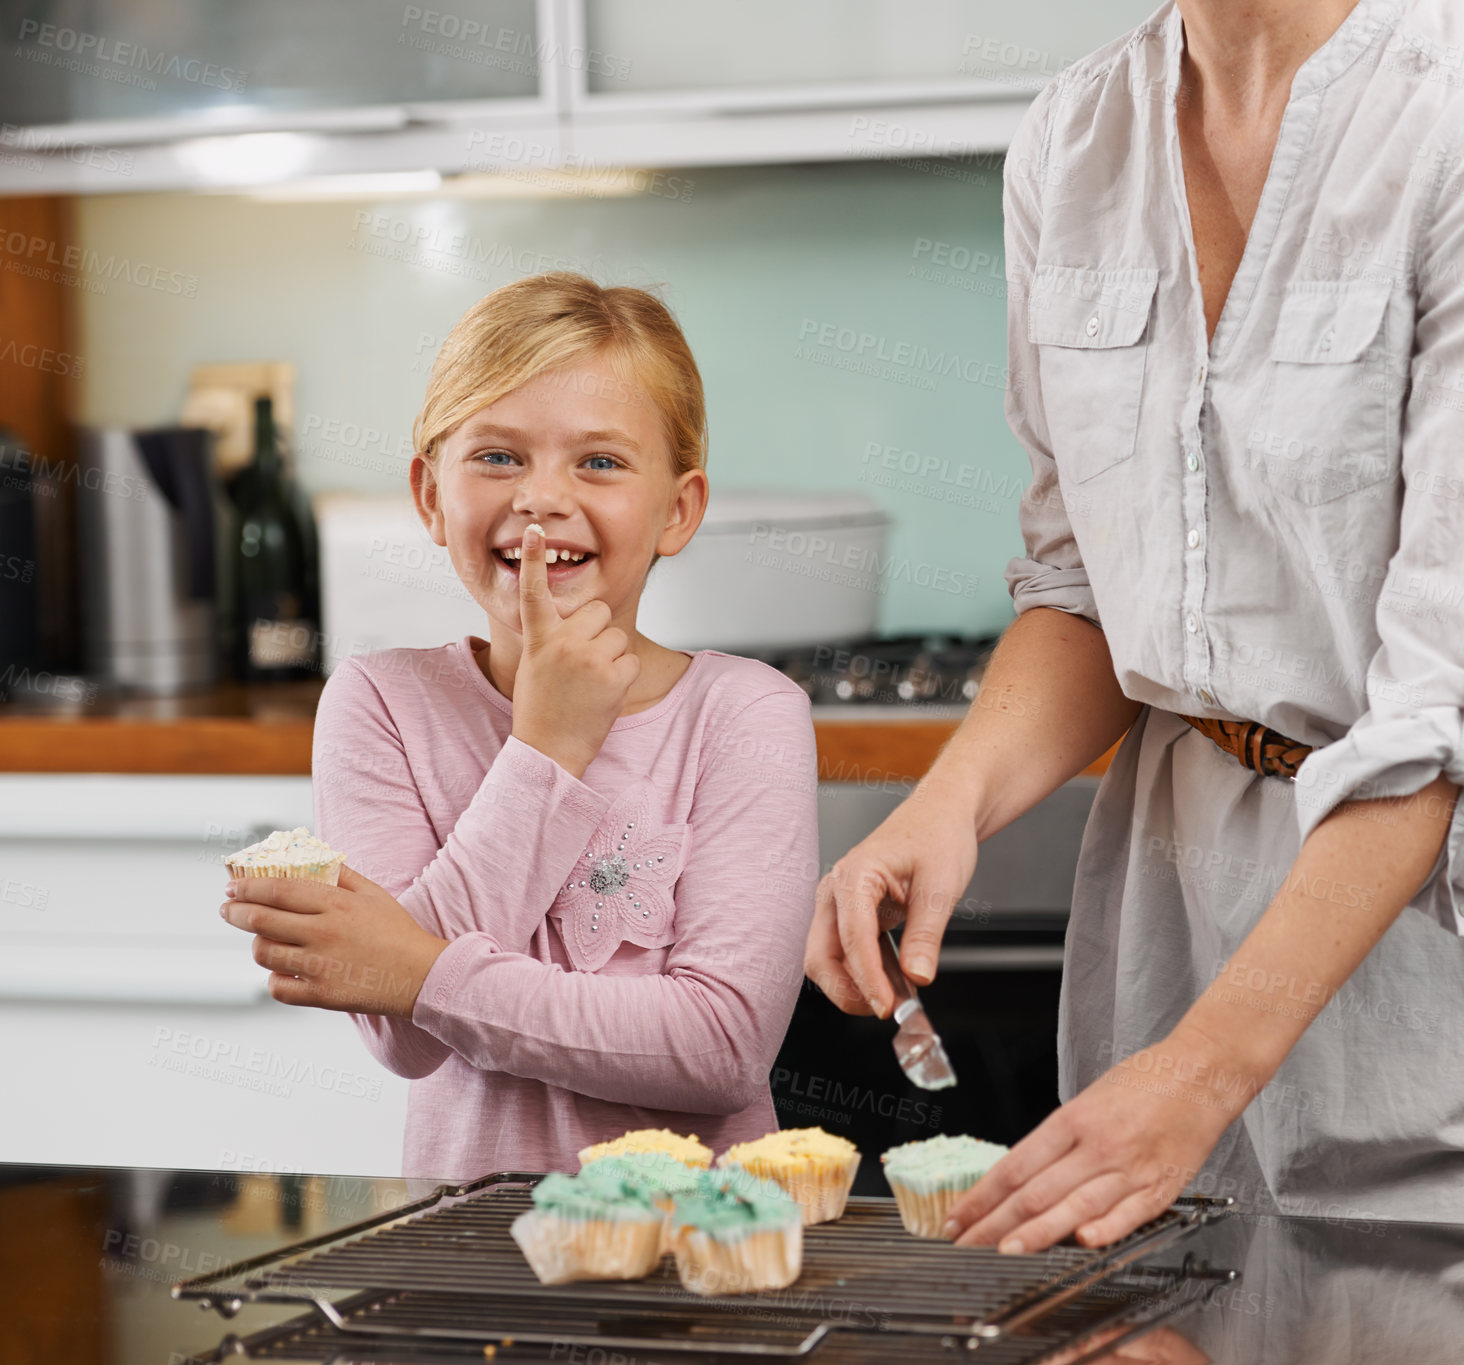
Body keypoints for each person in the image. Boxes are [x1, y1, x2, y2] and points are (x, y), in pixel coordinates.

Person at [808, 0, 1464, 1251]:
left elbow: (1444, 704)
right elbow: (1083, 588)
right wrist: (947, 804)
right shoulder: (1073, 137)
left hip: (1420, 958)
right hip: (1167, 929)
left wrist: (1206, 1069)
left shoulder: (1445, 120)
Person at [221, 273, 819, 1179]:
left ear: (679, 508)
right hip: (467, 1258)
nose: (542, 496)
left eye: (601, 461)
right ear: (430, 495)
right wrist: (546, 748)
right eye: (497, 456)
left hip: (699, 1262)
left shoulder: (747, 714)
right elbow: (400, 1039)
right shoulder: (380, 704)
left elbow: (719, 1048)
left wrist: (420, 970)